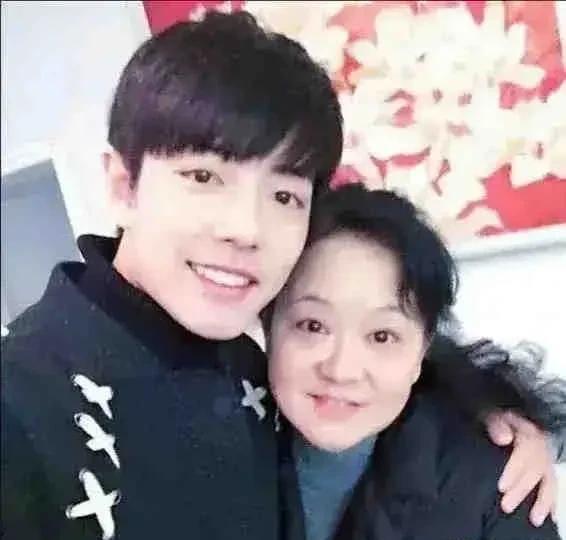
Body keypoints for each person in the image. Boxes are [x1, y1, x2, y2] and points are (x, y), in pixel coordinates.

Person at [0, 11, 559, 540]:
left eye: (285, 195)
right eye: (203, 177)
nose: (247, 229)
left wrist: (499, 421)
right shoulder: (21, 403)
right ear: (124, 186)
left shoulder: (247, 367)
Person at [268, 184, 566, 540]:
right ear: (268, 325)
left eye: (382, 336)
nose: (341, 370)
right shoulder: (215, 431)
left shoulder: (496, 481)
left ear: (422, 351)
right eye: (313, 326)